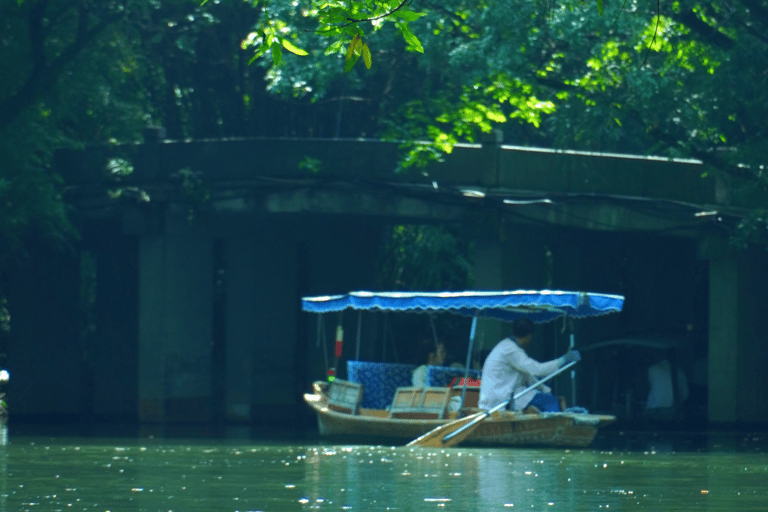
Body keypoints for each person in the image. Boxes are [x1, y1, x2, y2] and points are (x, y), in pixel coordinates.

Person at [478, 318, 581, 412]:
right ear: (529, 336)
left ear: (512, 331)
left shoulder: (506, 346)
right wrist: (564, 359)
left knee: (548, 398)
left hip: (501, 395)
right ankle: (557, 426)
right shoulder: (511, 350)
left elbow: (528, 375)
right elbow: (537, 370)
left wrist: (546, 390)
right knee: (551, 402)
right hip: (500, 400)